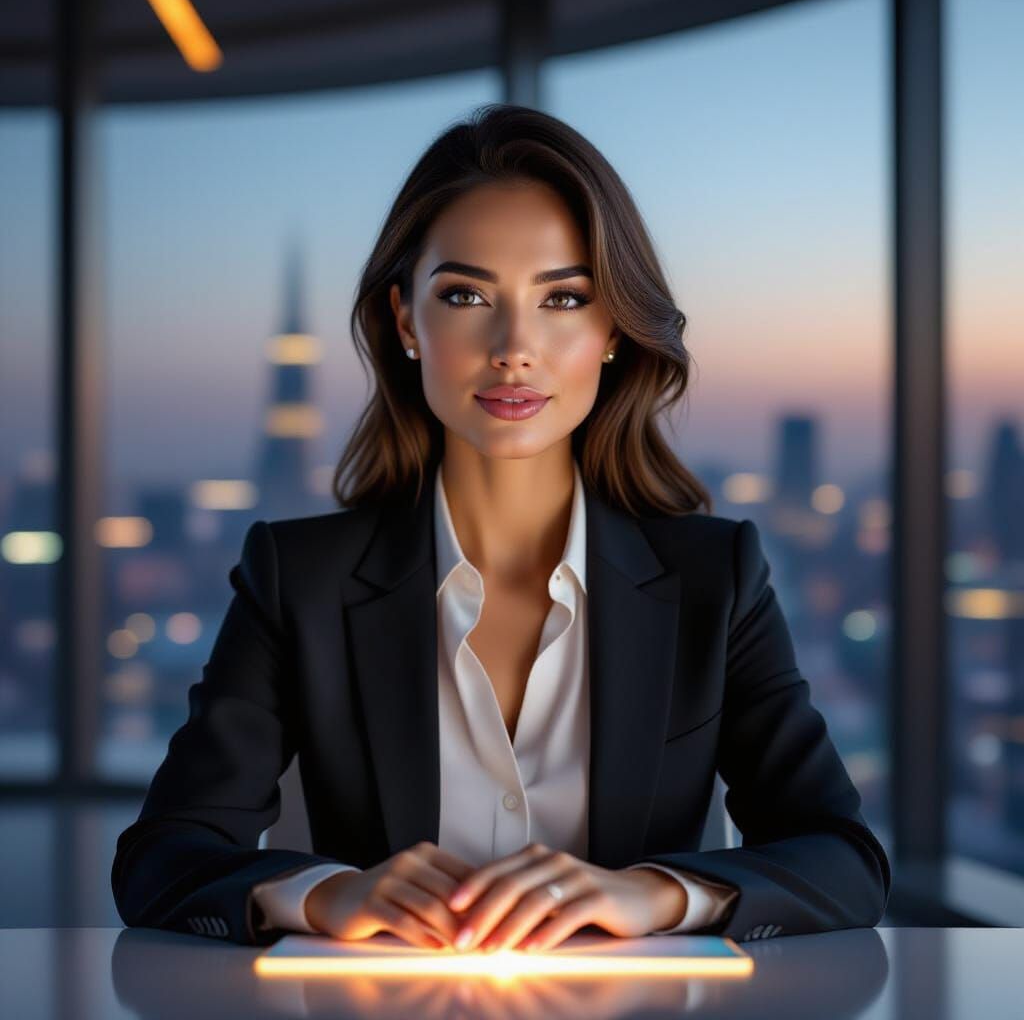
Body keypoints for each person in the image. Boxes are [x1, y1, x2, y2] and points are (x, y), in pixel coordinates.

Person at [111, 103, 891, 951]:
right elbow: (163, 857)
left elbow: (843, 860)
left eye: (563, 298)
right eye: (466, 295)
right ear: (406, 321)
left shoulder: (716, 577)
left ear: (612, 331)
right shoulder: (299, 579)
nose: (514, 347)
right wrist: (326, 894)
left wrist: (654, 895)